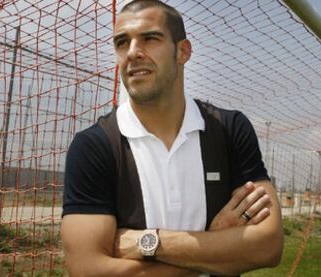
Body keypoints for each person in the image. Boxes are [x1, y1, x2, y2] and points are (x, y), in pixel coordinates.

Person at [61, 0, 283, 276]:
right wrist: (211, 245)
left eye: (149, 38)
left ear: (183, 51)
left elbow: (268, 246)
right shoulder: (93, 146)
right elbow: (86, 269)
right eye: (121, 42)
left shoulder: (229, 129)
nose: (132, 52)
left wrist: (148, 243)